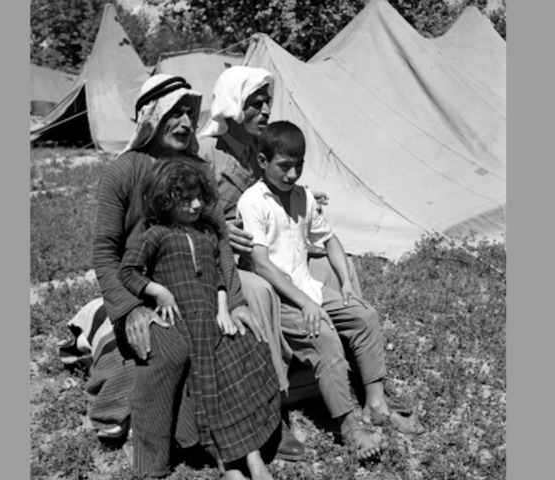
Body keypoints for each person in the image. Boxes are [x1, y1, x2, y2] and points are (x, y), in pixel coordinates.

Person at [92, 74, 267, 477]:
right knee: (167, 354)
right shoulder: (122, 172)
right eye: (175, 113)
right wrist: (132, 309)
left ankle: (250, 438)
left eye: (190, 113)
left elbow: (219, 237)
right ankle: (155, 460)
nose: (187, 123)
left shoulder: (195, 170)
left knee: (239, 340)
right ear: (151, 118)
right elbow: (105, 253)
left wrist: (235, 301)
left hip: (199, 287)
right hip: (144, 292)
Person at [197, 66, 364, 458]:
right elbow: (186, 209)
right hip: (224, 257)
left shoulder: (261, 148)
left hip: (263, 252)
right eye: (256, 103)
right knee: (258, 293)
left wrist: (303, 198)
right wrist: (219, 227)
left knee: (334, 267)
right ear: (234, 106)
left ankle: (352, 370)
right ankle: (274, 413)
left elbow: (274, 194)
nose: (266, 110)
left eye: (267, 101)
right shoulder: (209, 153)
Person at [236, 121, 424, 461]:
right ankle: (350, 426)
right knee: (323, 335)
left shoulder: (303, 196)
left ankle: (376, 405)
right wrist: (306, 302)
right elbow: (261, 263)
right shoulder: (253, 202)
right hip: (279, 299)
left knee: (364, 316)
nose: (292, 174)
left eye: (299, 166)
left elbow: (330, 239)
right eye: (284, 166)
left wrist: (348, 283)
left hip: (309, 289)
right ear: (262, 161)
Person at [119, 159, 280, 480]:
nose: (195, 205)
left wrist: (224, 308)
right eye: (184, 199)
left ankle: (252, 455)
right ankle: (228, 463)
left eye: (198, 197)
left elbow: (219, 274)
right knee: (207, 381)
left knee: (247, 347)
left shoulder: (207, 233)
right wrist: (158, 292)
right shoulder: (156, 235)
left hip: (213, 318)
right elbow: (128, 271)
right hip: (182, 322)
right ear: (165, 200)